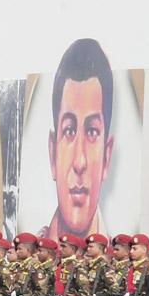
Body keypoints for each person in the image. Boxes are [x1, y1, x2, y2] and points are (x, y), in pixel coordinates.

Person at [41, 38, 114, 241]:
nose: (79, 162)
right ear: (53, 153)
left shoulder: (117, 261)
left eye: (92, 132)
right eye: (69, 131)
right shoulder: (33, 252)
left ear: (107, 158)